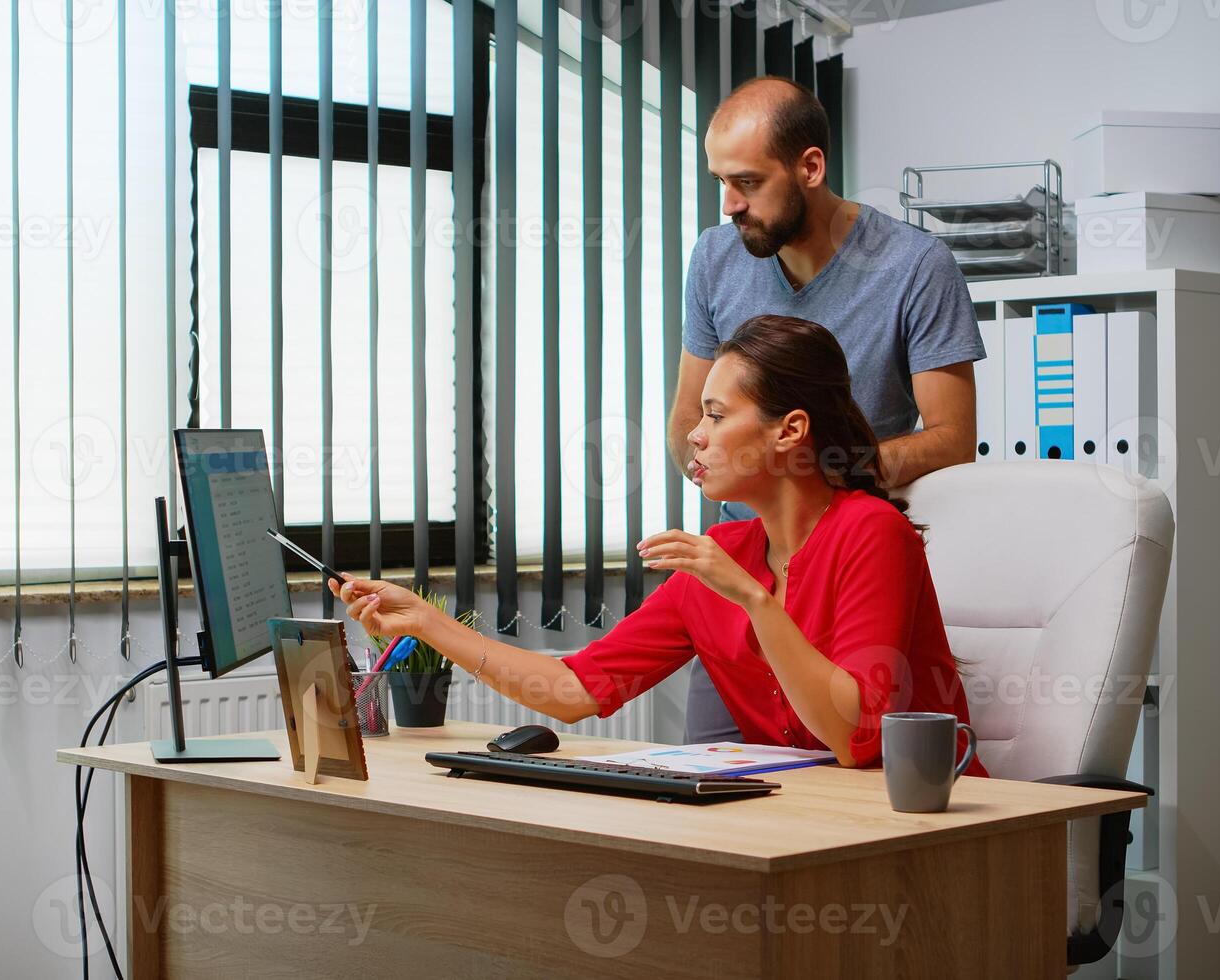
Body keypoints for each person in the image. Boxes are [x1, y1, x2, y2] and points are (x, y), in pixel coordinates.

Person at [331, 315, 985, 774]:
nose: (694, 436)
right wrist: (430, 624)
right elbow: (575, 690)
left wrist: (756, 602)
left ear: (791, 431)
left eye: (718, 415)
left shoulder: (872, 534)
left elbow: (853, 737)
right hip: (814, 823)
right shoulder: (721, 556)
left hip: (930, 831)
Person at [671, 76, 985, 741]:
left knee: (841, 788)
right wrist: (751, 490)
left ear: (810, 166)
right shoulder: (714, 258)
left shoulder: (915, 266)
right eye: (719, 181)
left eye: (749, 183)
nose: (729, 205)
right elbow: (684, 430)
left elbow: (954, 439)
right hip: (744, 579)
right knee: (712, 807)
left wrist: (811, 481)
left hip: (850, 576)